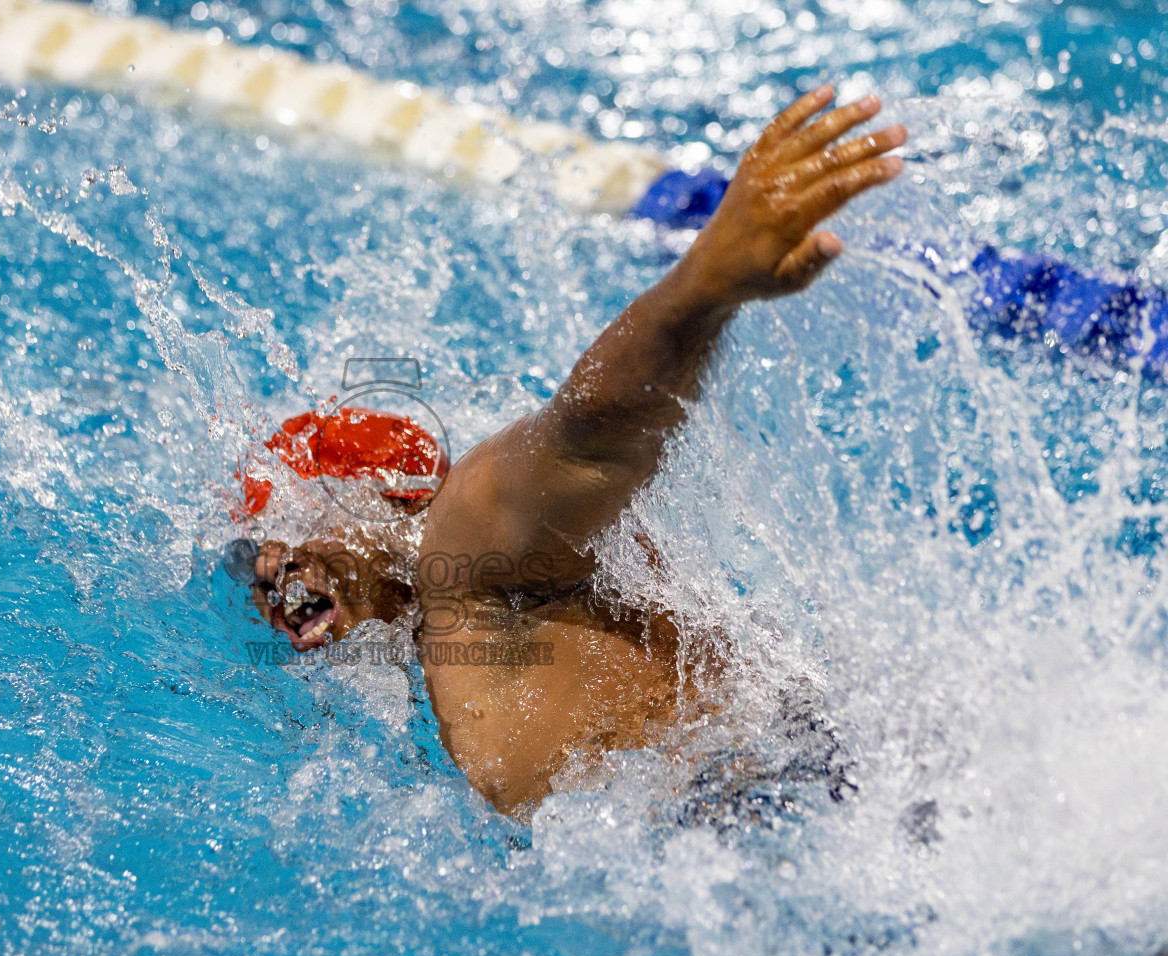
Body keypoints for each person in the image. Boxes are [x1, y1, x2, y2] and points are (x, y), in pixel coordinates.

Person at [232, 86, 907, 816]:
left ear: (388, 498)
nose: (276, 569)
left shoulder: (465, 547)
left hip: (797, 799)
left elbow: (593, 434)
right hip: (813, 783)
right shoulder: (429, 655)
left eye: (298, 528)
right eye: (264, 557)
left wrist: (702, 286)